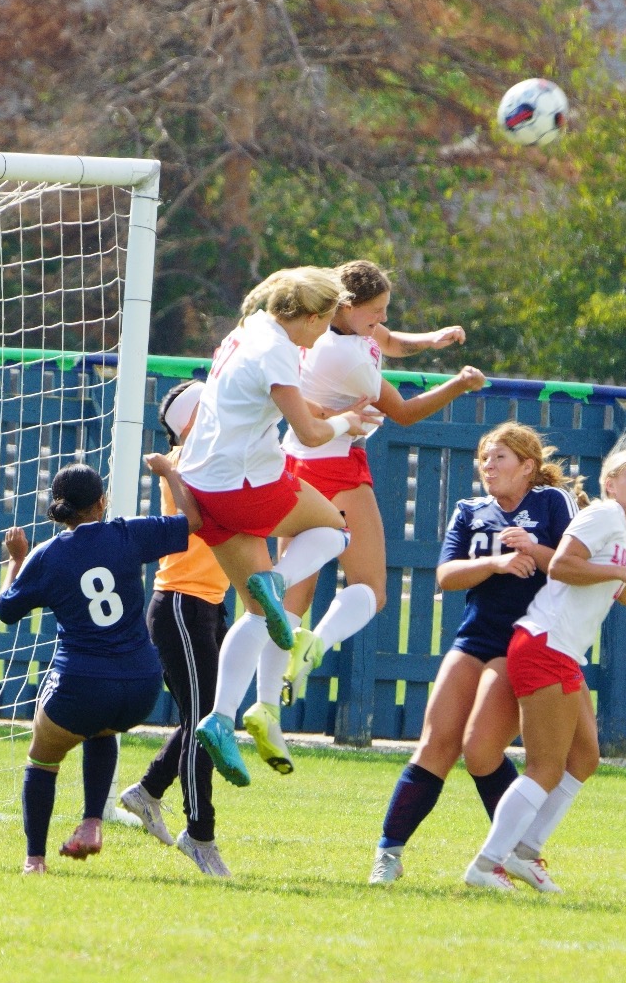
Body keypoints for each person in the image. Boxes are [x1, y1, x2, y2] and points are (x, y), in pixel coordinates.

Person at [245, 259, 487, 777]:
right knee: (371, 588)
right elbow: (403, 412)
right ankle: (316, 646)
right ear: (346, 309)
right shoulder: (348, 357)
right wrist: (458, 384)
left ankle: (265, 705)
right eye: (374, 312)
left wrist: (431, 340)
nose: (380, 321)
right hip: (337, 465)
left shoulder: (333, 331)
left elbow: (388, 339)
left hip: (296, 460)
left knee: (295, 595)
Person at [177, 268, 376, 788]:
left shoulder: (248, 327)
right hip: (245, 482)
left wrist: (332, 415)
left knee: (257, 615)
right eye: (324, 324)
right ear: (310, 316)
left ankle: (219, 719)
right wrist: (344, 425)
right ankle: (280, 580)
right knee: (335, 530)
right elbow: (309, 435)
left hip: (202, 484)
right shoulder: (282, 350)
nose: (322, 336)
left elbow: (288, 403)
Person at [463, 428, 626, 893]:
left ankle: (525, 853)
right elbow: (562, 565)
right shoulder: (603, 515)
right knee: (546, 766)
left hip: (562, 650)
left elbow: (624, 596)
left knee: (584, 758)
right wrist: (624, 570)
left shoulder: (622, 531)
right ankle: (486, 864)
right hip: (543, 644)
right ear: (609, 484)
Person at [370, 421, 579, 885]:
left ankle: (510, 853)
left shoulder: (551, 502)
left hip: (524, 639)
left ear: (527, 466)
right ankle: (389, 853)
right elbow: (447, 576)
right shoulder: (470, 509)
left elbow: (569, 565)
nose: (488, 466)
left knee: (479, 749)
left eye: (499, 457)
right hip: (475, 636)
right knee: (434, 745)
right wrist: (496, 562)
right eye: (484, 458)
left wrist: (533, 549)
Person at [0, 461, 199, 874]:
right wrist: (168, 473)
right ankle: (92, 822)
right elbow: (191, 520)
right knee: (102, 728)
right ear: (101, 502)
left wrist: (15, 561)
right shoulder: (127, 533)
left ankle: (34, 860)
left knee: (42, 757)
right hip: (142, 685)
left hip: (83, 685)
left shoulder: (48, 554)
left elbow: (6, 610)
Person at [116, 380, 233, 876]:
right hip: (181, 606)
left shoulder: (212, 453)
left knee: (203, 718)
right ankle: (200, 833)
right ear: (190, 421)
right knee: (206, 723)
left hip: (209, 604)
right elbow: (201, 519)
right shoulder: (186, 459)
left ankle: (146, 792)